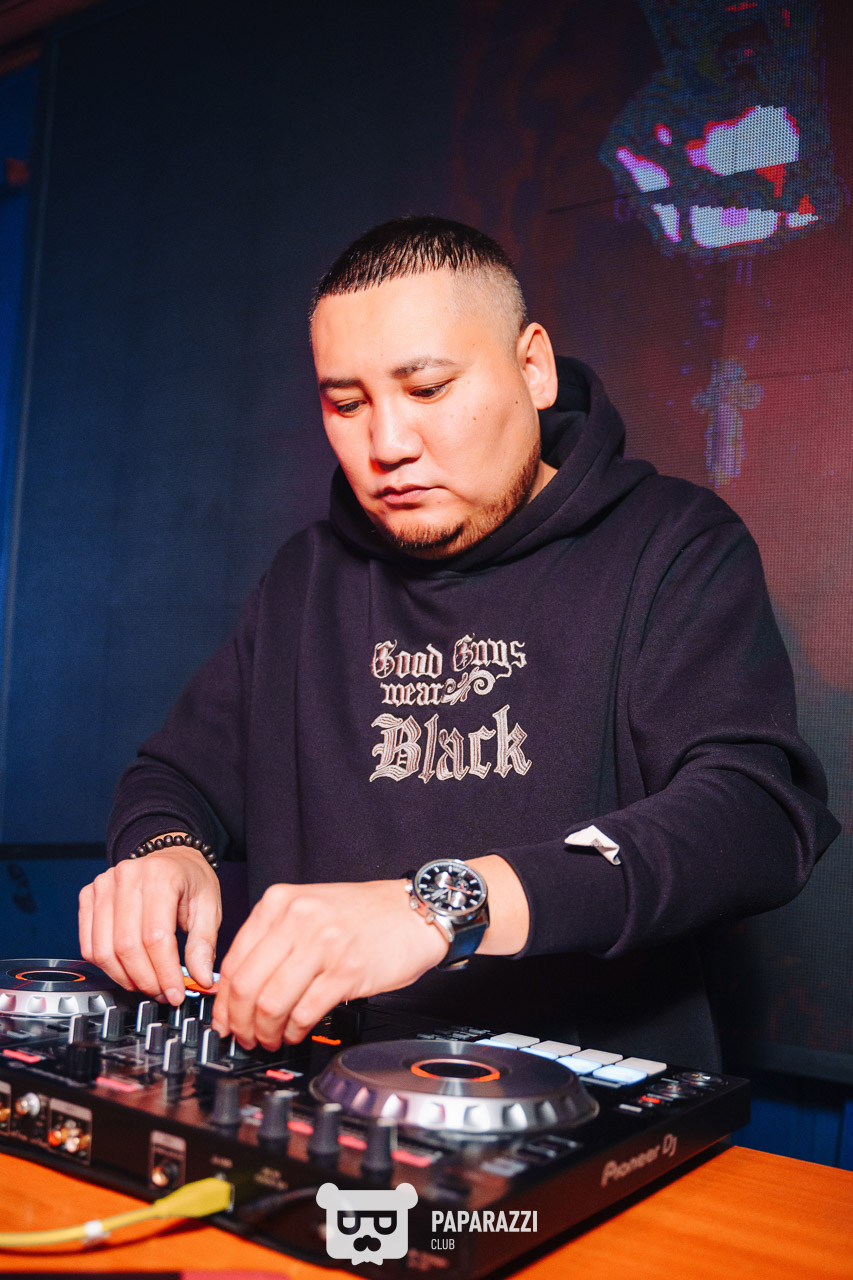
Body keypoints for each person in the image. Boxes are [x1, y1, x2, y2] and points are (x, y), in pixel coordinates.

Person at [78, 216, 838, 1069]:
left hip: (570, 1100)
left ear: (532, 368)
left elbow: (751, 817)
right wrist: (165, 854)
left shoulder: (671, 544)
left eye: (429, 389)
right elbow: (176, 777)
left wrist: (446, 906)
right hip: (323, 1096)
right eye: (346, 404)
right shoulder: (307, 576)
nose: (388, 445)